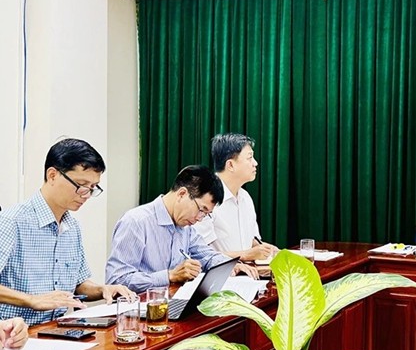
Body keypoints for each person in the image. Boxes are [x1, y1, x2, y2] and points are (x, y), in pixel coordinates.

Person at [0, 139, 135, 325]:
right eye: (81, 184)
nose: (86, 195)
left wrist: (103, 289)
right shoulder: (11, 222)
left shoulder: (72, 227)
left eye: (92, 188)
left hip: (60, 330)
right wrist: (31, 300)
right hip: (16, 334)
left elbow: (78, 285)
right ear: (52, 175)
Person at [105, 165, 258, 293]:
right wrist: (169, 276)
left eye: (206, 214)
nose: (200, 218)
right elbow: (116, 280)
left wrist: (231, 265)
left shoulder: (186, 228)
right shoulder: (136, 222)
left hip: (174, 305)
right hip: (141, 312)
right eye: (201, 210)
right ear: (182, 194)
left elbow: (207, 255)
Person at [194, 133, 279, 263]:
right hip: (220, 273)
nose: (255, 163)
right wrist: (245, 255)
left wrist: (267, 250)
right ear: (230, 165)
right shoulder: (205, 198)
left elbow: (251, 241)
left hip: (248, 271)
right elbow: (198, 254)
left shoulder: (245, 197)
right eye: (249, 158)